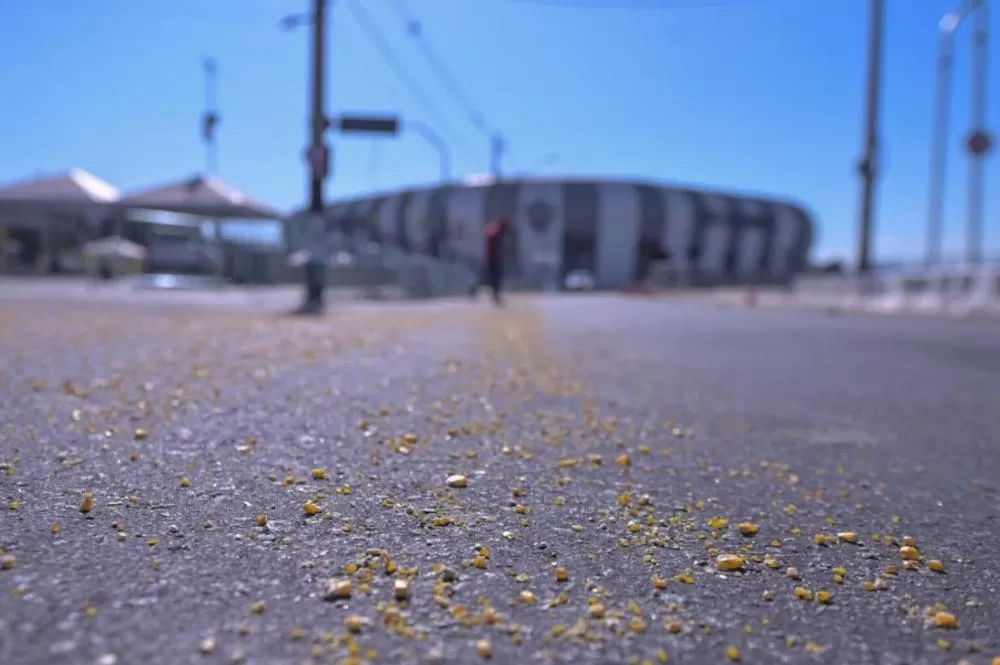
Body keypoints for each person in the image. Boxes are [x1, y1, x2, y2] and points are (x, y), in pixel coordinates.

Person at [468, 218, 510, 305]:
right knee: (491, 279)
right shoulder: (495, 233)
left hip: (494, 259)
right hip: (492, 259)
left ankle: (493, 295)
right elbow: (491, 234)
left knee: (491, 279)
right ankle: (475, 291)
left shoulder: (495, 233)